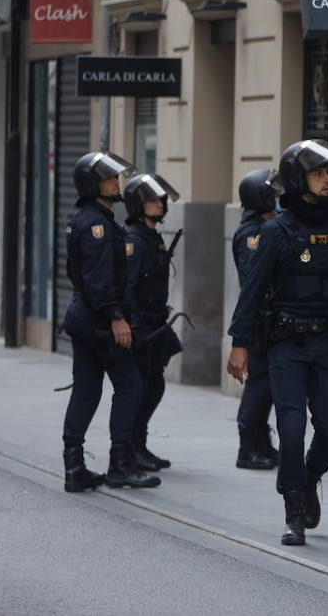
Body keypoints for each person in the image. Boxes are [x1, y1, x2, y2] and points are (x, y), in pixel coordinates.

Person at [225, 140, 328, 547]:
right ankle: (293, 509)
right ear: (299, 180)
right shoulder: (275, 231)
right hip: (286, 346)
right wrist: (239, 343)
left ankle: (310, 476)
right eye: (319, 173)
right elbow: (252, 292)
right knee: (292, 431)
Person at [60, 152, 160, 493]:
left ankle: (74, 466)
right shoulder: (98, 226)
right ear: (92, 184)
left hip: (84, 317)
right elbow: (99, 280)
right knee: (131, 386)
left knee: (86, 390)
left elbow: (78, 275)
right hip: (100, 321)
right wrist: (118, 318)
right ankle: (120, 464)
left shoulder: (88, 219)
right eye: (109, 178)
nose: (117, 183)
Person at [122, 173, 184, 472]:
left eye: (160, 199)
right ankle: (130, 447)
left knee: (153, 384)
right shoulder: (134, 240)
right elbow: (128, 287)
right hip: (142, 325)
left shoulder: (152, 237)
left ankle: (139, 443)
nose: (159, 204)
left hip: (156, 321)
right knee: (141, 387)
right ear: (137, 204)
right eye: (151, 199)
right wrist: (131, 326)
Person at [233, 169, 280, 471]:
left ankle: (262, 443)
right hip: (259, 321)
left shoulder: (265, 227)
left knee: (269, 386)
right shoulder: (251, 234)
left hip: (269, 319)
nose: (277, 200)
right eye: (273, 195)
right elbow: (256, 280)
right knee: (259, 386)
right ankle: (247, 447)